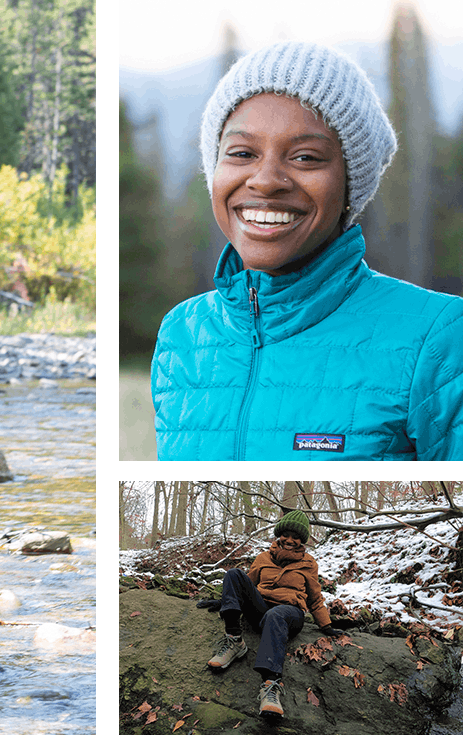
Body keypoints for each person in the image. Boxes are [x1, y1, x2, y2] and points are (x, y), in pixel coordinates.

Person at [150, 41, 463, 460]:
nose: (266, 180)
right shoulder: (181, 334)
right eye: (242, 153)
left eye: (305, 157)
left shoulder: (438, 337)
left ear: (351, 184)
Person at [198, 510, 345, 719]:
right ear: (279, 534)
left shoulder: (309, 563)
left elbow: (314, 597)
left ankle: (271, 686)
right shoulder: (263, 558)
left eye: (296, 537)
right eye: (286, 534)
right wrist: (223, 602)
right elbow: (244, 585)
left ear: (302, 540)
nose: (290, 540)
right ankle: (234, 641)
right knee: (233, 574)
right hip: (261, 610)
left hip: (289, 613)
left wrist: (326, 625)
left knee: (276, 614)